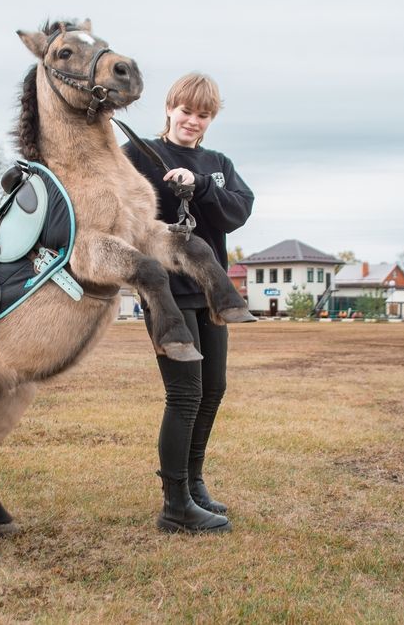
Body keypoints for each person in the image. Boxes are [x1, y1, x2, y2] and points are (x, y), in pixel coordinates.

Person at [123, 73, 254, 534]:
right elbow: (117, 203)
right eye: (186, 111)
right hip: (167, 294)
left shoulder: (217, 164)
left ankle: (195, 484)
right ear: (168, 108)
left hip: (211, 292)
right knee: (184, 393)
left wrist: (199, 184)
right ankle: (174, 503)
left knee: (212, 389)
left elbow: (237, 211)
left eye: (203, 114)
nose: (193, 121)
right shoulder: (139, 154)